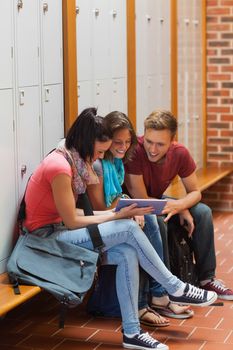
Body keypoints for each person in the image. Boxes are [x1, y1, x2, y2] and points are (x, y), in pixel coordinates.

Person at [23, 108, 217, 350]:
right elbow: (72, 221)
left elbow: (76, 216)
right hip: (44, 241)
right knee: (126, 227)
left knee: (127, 252)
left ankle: (132, 333)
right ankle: (173, 287)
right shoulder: (59, 166)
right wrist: (116, 216)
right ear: (86, 142)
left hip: (61, 230)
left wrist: (117, 214)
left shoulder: (73, 161)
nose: (98, 158)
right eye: (99, 151)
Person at [87, 111, 193, 326]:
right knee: (150, 221)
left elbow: (119, 198)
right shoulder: (98, 165)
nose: (123, 147)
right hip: (98, 223)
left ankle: (161, 293)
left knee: (154, 219)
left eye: (127, 142)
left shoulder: (117, 163)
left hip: (115, 215)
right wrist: (129, 206)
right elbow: (101, 209)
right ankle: (155, 297)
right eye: (117, 142)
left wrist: (180, 206)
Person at [124, 109, 233, 301]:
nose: (153, 149)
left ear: (172, 141)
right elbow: (141, 198)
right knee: (158, 220)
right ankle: (168, 286)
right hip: (137, 206)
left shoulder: (180, 153)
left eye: (160, 144)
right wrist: (179, 207)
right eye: (149, 141)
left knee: (203, 212)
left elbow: (195, 191)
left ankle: (207, 278)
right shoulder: (135, 151)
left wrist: (181, 205)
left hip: (158, 200)